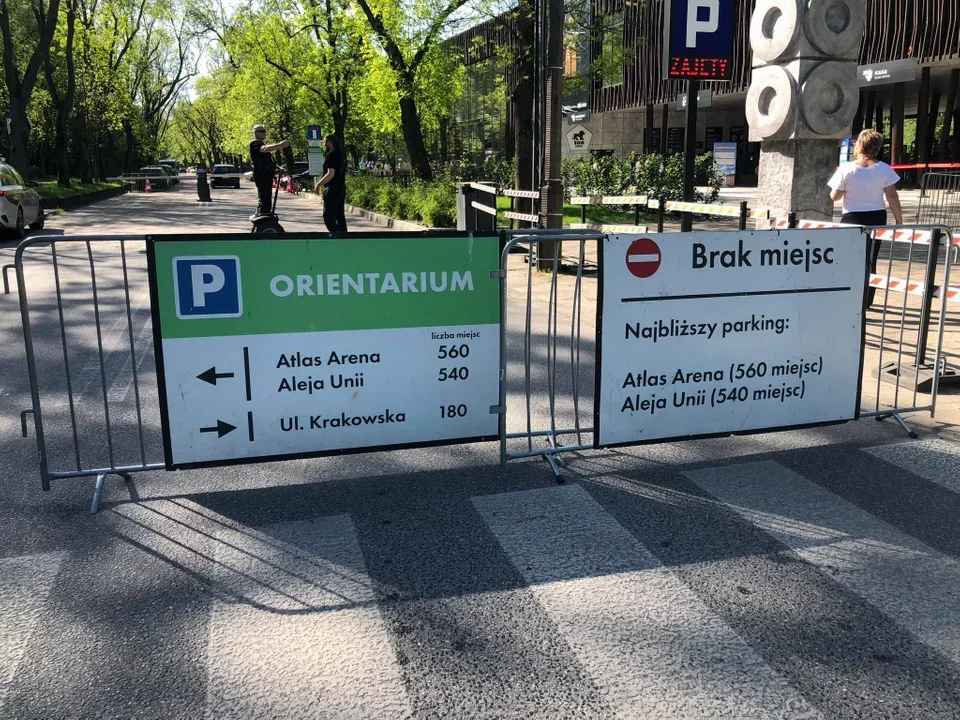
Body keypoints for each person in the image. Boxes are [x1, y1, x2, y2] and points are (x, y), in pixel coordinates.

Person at [827, 129, 903, 305]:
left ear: (859, 146)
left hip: (852, 216)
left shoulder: (847, 168)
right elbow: (892, 196)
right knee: (871, 258)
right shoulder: (885, 169)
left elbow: (835, 196)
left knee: (849, 257)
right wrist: (899, 220)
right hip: (877, 216)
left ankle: (848, 296)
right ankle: (867, 300)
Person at [249, 124, 290, 216]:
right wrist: (280, 145)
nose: (264, 133)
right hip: (261, 174)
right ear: (255, 133)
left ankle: (265, 214)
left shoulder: (262, 143)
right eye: (261, 131)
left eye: (265, 131)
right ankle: (262, 215)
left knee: (267, 197)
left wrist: (278, 168)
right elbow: (264, 149)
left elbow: (266, 160)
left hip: (266, 175)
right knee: (264, 197)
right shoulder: (255, 143)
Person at [314, 134, 348, 232]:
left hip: (332, 189)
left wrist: (318, 185)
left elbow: (330, 174)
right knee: (339, 215)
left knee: (328, 216)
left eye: (324, 142)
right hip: (341, 188)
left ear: (329, 142)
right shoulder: (340, 155)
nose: (324, 144)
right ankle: (345, 238)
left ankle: (335, 235)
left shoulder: (331, 155)